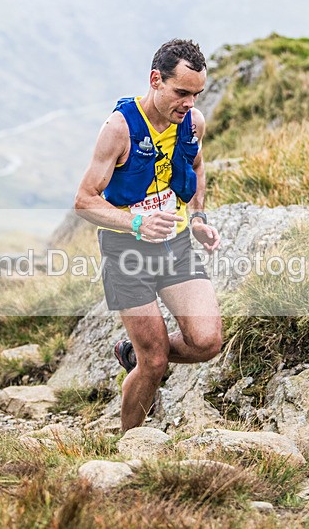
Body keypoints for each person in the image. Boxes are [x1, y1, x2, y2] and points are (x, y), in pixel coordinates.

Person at [74, 39, 222, 431]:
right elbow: (85, 201)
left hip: (175, 246)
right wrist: (136, 223)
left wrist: (198, 216)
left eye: (196, 94)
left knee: (207, 341)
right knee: (154, 362)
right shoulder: (119, 128)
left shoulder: (193, 123)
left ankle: (132, 353)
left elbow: (197, 164)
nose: (189, 103)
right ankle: (131, 445)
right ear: (156, 80)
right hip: (126, 252)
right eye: (181, 92)